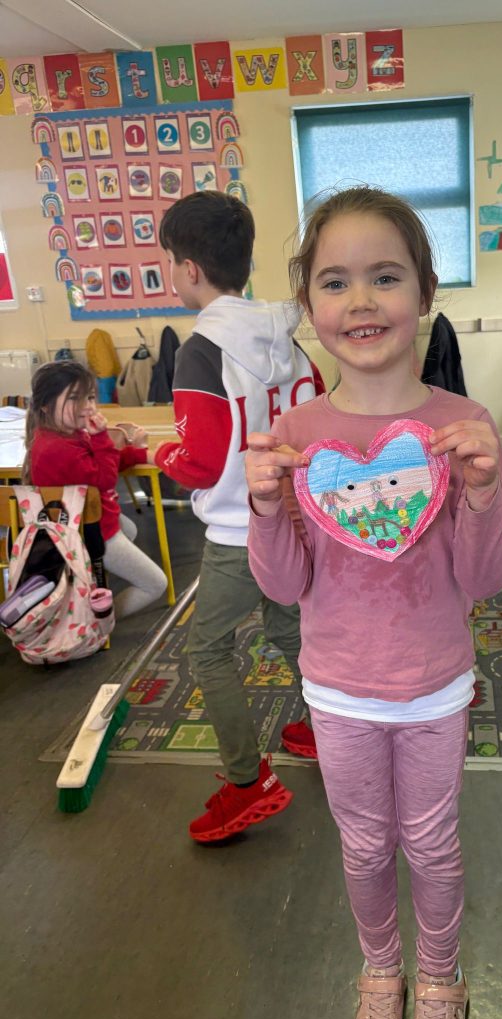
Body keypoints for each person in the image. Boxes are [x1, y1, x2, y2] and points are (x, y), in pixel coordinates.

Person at [245, 186, 502, 1019]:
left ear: (425, 294)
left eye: (385, 277)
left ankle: (440, 973)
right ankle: (380, 967)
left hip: (434, 686)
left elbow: (485, 580)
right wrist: (263, 507)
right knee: (362, 844)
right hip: (337, 689)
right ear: (309, 305)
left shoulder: (463, 425)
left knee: (431, 842)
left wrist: (483, 494)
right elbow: (283, 586)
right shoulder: (297, 434)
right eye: (335, 281)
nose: (360, 300)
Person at [154, 190, 324, 844]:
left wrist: (157, 452)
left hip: (236, 533)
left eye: (171, 261)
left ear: (190, 268)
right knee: (288, 626)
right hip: (293, 519)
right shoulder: (289, 339)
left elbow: (198, 465)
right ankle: (326, 726)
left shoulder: (201, 351)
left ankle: (248, 783)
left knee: (208, 650)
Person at [26, 360, 167, 617]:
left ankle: (93, 582)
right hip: (88, 531)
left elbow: (102, 464)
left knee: (130, 529)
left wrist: (140, 454)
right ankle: (96, 621)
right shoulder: (58, 448)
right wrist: (102, 437)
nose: (88, 406)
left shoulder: (66, 435)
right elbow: (105, 479)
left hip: (93, 521)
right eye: (74, 398)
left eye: (90, 397)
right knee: (155, 584)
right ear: (46, 405)